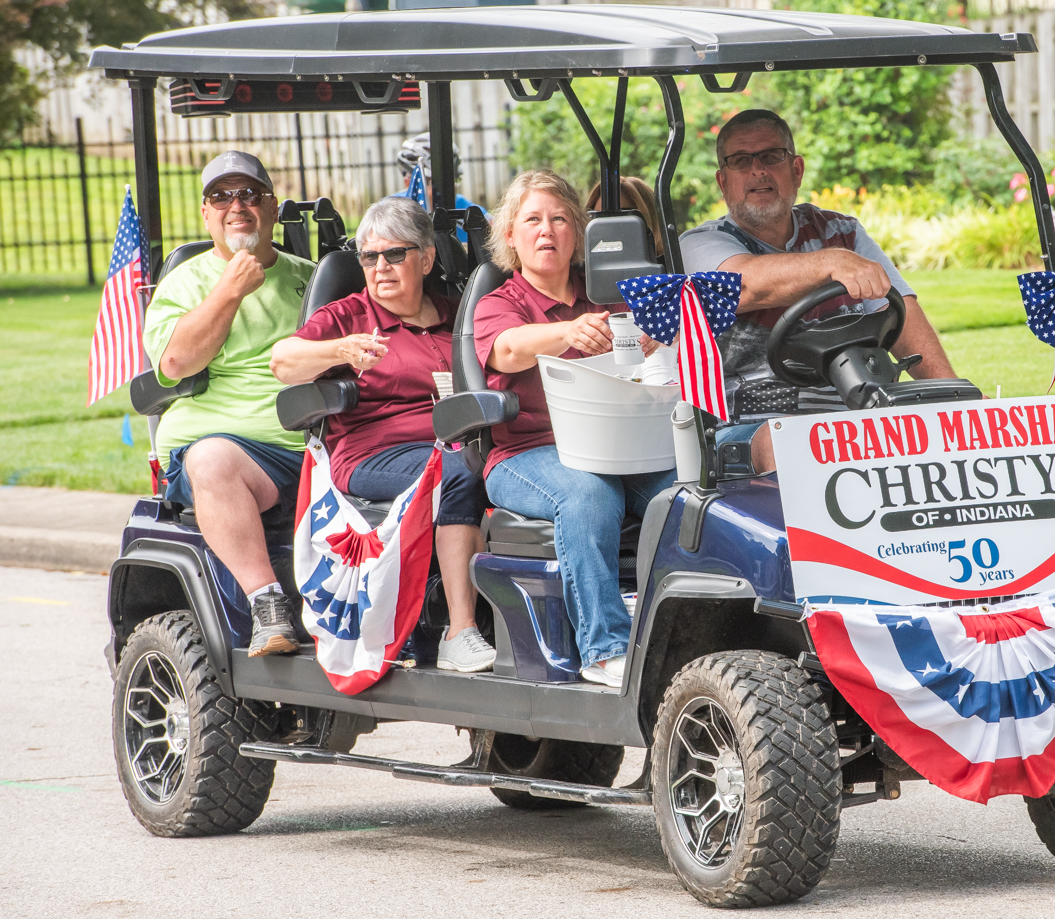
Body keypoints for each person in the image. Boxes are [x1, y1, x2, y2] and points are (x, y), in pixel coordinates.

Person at [270, 197, 495, 673]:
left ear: (426, 259)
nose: (380, 267)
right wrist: (340, 349)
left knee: (499, 469)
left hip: (457, 443)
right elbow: (283, 362)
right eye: (369, 257)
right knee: (456, 474)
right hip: (372, 453)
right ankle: (460, 631)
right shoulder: (349, 316)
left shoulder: (454, 314)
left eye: (394, 254)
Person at [473, 170, 674, 689]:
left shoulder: (607, 295)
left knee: (687, 490)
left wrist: (655, 338)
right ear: (511, 235)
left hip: (619, 447)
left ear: (578, 232)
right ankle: (605, 648)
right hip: (526, 456)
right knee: (589, 493)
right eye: (533, 220)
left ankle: (679, 634)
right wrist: (567, 331)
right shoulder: (500, 303)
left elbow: (655, 359)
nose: (547, 231)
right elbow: (507, 349)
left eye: (560, 219)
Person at [679, 109, 964, 472]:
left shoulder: (842, 232)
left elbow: (901, 315)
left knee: (924, 434)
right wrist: (831, 263)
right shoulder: (699, 243)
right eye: (741, 161)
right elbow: (743, 285)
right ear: (723, 181)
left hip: (855, 414)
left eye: (771, 156)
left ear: (796, 170)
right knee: (795, 441)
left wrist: (956, 402)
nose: (758, 170)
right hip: (745, 428)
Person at [143, 151, 316, 657]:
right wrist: (230, 290)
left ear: (273, 208)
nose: (236, 206)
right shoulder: (186, 282)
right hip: (231, 450)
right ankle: (267, 603)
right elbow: (176, 362)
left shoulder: (311, 277)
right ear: (206, 213)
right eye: (221, 196)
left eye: (249, 194)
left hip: (313, 441)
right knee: (212, 460)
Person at [393, 132, 487, 243]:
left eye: (451, 181)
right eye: (430, 183)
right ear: (409, 183)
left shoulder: (476, 216)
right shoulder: (388, 213)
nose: (440, 191)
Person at [585, 176, 666, 261]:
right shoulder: (583, 267)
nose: (607, 230)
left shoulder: (670, 266)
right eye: (597, 220)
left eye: (620, 222)